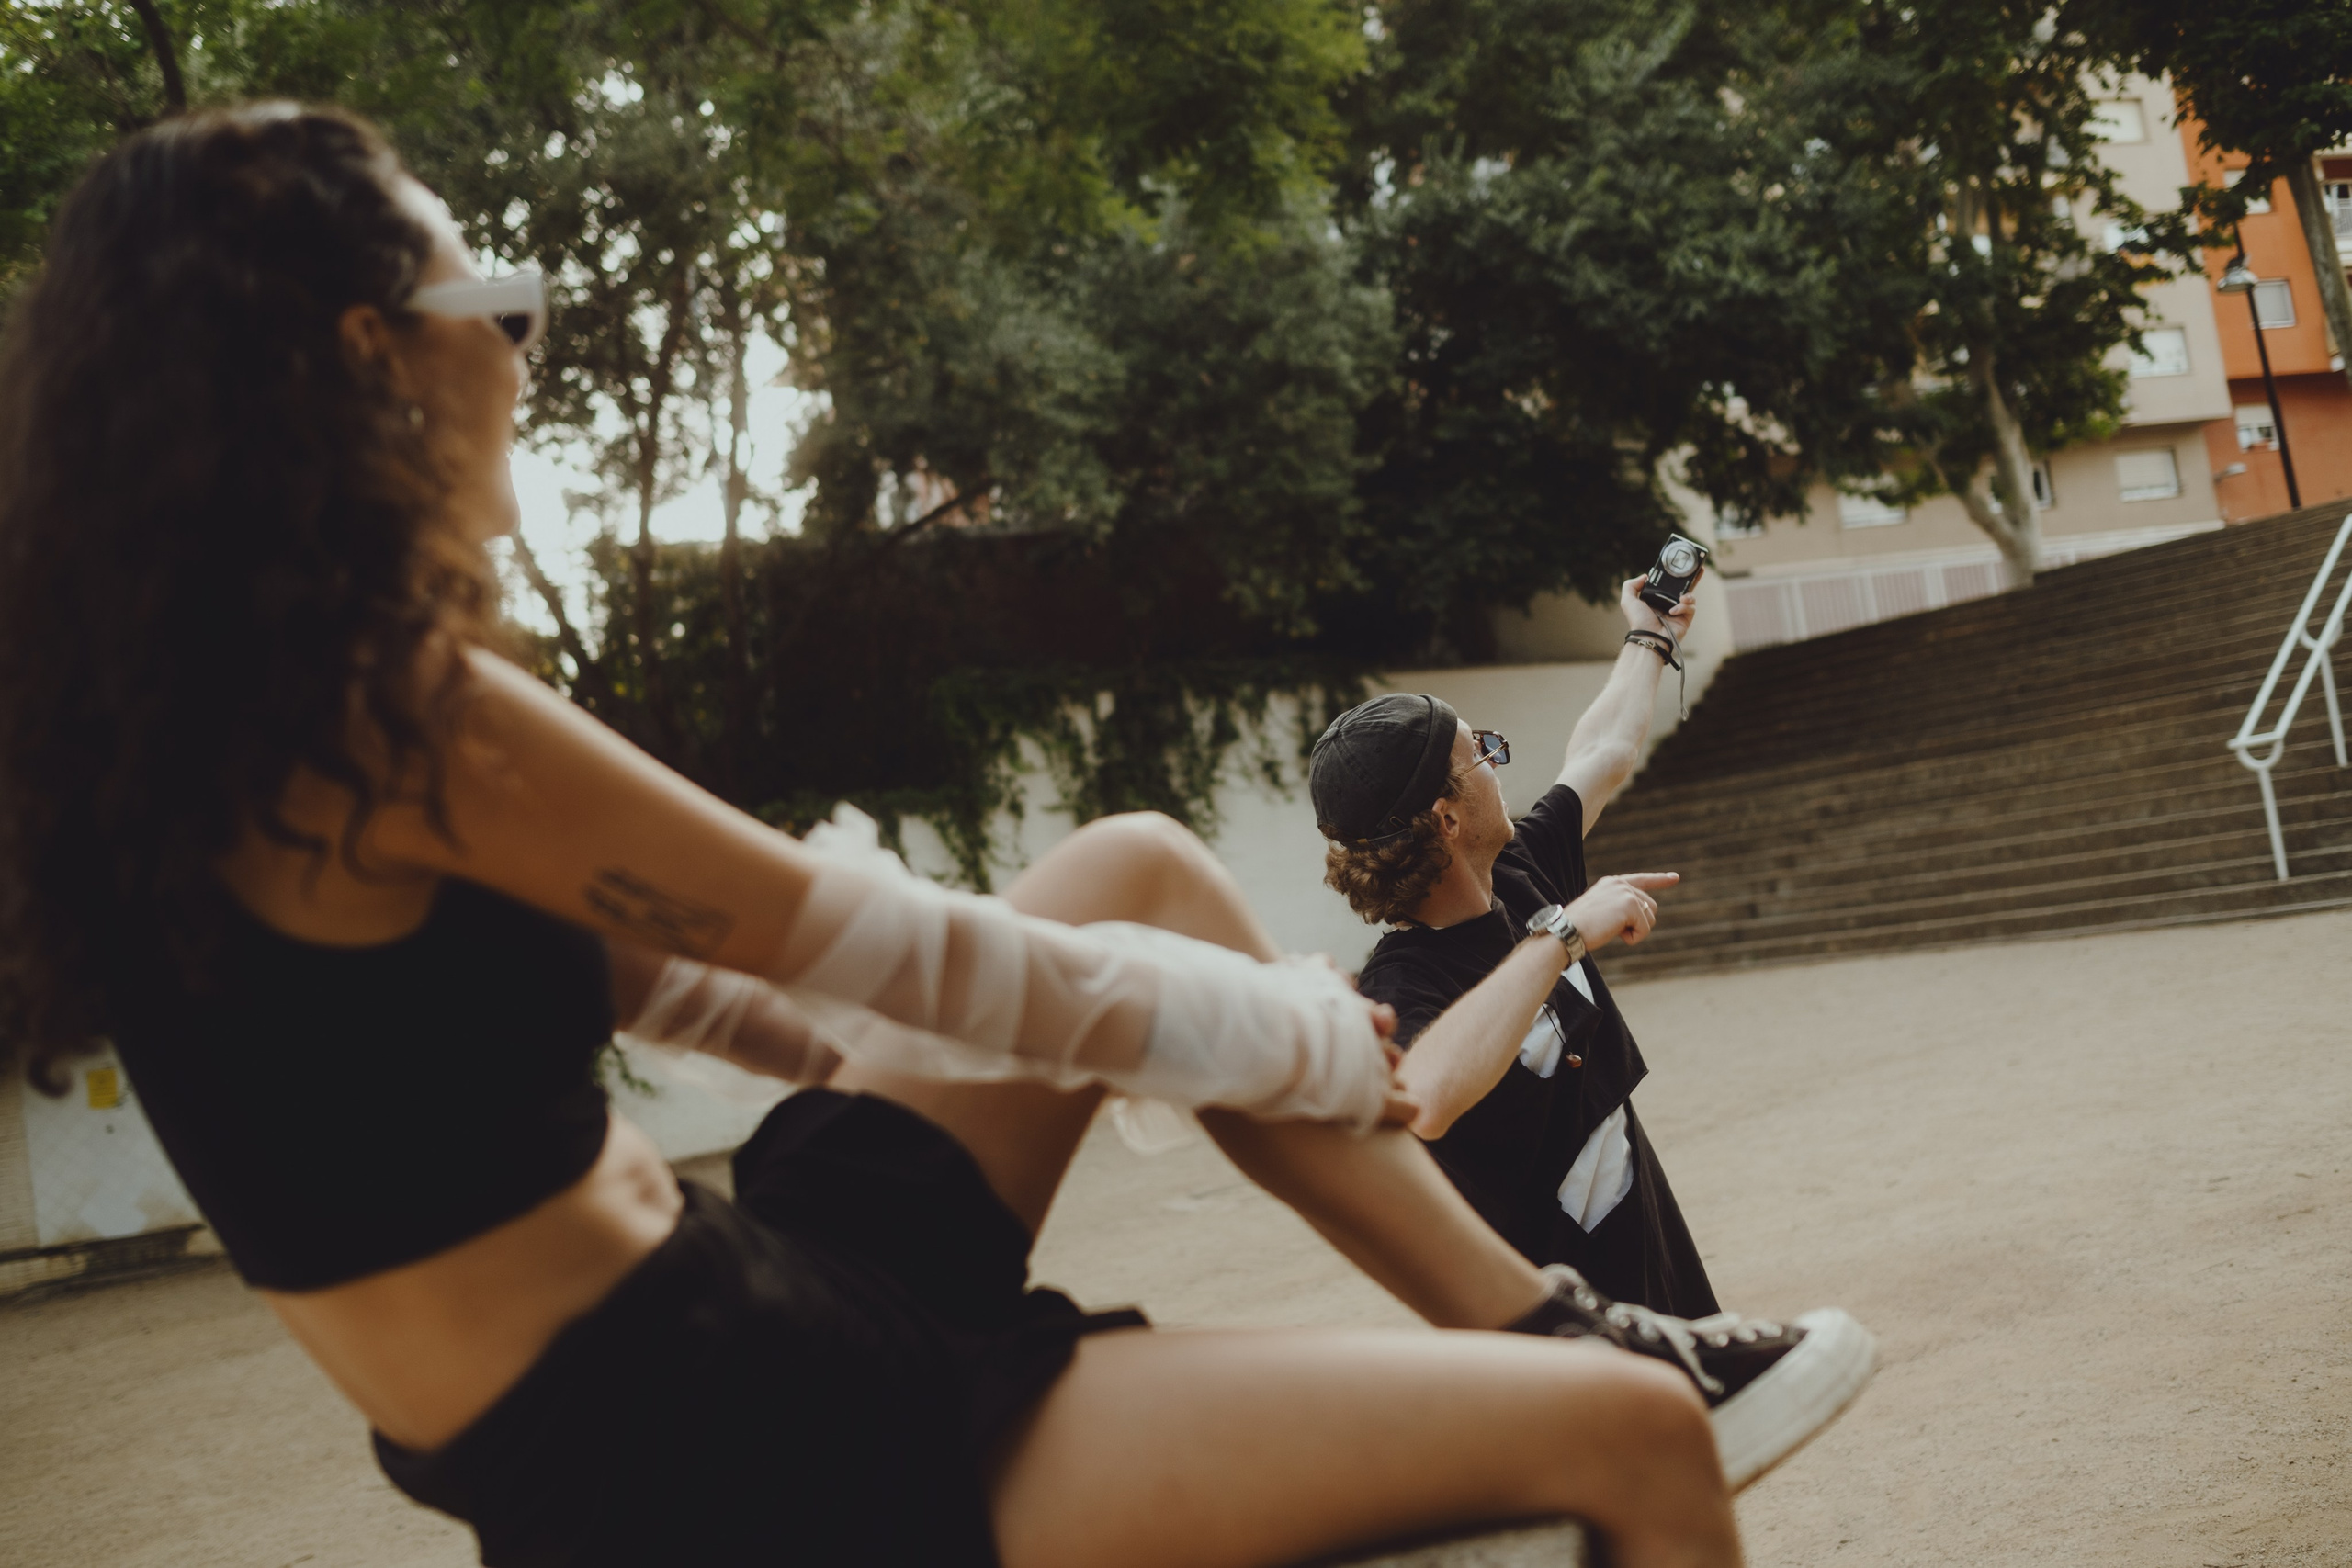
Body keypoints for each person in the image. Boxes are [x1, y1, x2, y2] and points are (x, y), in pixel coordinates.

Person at [0, 104, 1847, 1568]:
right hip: (727, 1445)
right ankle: (1593, 1367)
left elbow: (702, 986)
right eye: (502, 307)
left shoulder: (183, 741)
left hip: (711, 1325)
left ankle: (1541, 1319)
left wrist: (941, 1079)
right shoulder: (390, 704)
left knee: (1133, 862)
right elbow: (867, 942)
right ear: (368, 356)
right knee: (1636, 1450)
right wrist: (1278, 1034)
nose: (524, 355)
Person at [1311, 586, 1732, 1319]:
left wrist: (1652, 635)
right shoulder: (1401, 986)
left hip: (1664, 1295)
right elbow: (1422, 1098)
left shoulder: (1519, 872)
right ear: (1446, 818)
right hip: (1565, 1341)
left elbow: (1603, 751)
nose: (1497, 762)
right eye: (1480, 754)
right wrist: (1563, 938)